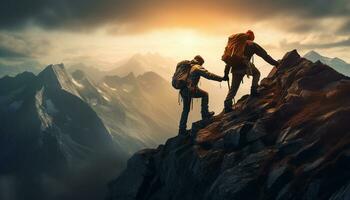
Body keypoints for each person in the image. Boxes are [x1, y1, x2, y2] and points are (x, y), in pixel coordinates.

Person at [223, 30, 279, 113]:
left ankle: (227, 106)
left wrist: (226, 74)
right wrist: (275, 63)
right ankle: (254, 90)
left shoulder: (236, 45)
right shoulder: (252, 44)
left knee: (233, 88)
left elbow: (229, 61)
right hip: (245, 66)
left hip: (235, 69)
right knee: (257, 73)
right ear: (252, 38)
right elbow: (264, 56)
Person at [178, 55, 223, 135]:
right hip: (190, 90)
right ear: (200, 62)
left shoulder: (187, 65)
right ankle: (205, 114)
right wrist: (221, 78)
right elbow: (208, 75)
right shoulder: (197, 67)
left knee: (185, 109)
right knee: (205, 95)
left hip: (182, 90)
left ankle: (182, 129)